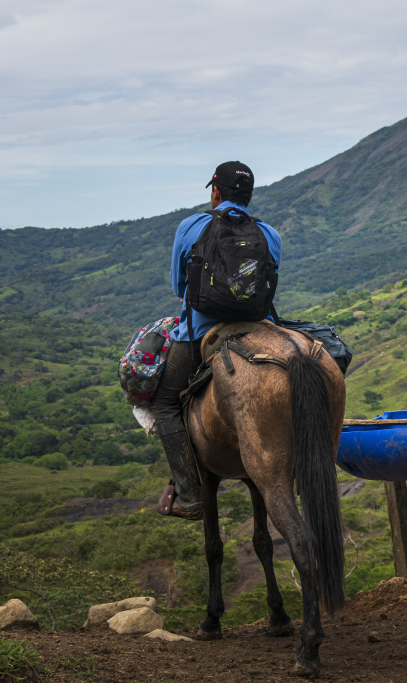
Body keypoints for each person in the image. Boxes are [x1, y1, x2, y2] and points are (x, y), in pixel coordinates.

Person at [150, 161, 282, 519]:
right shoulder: (269, 235)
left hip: (200, 333)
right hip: (259, 329)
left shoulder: (192, 226)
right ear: (249, 196)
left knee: (163, 403)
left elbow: (180, 286)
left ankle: (190, 494)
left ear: (216, 192)